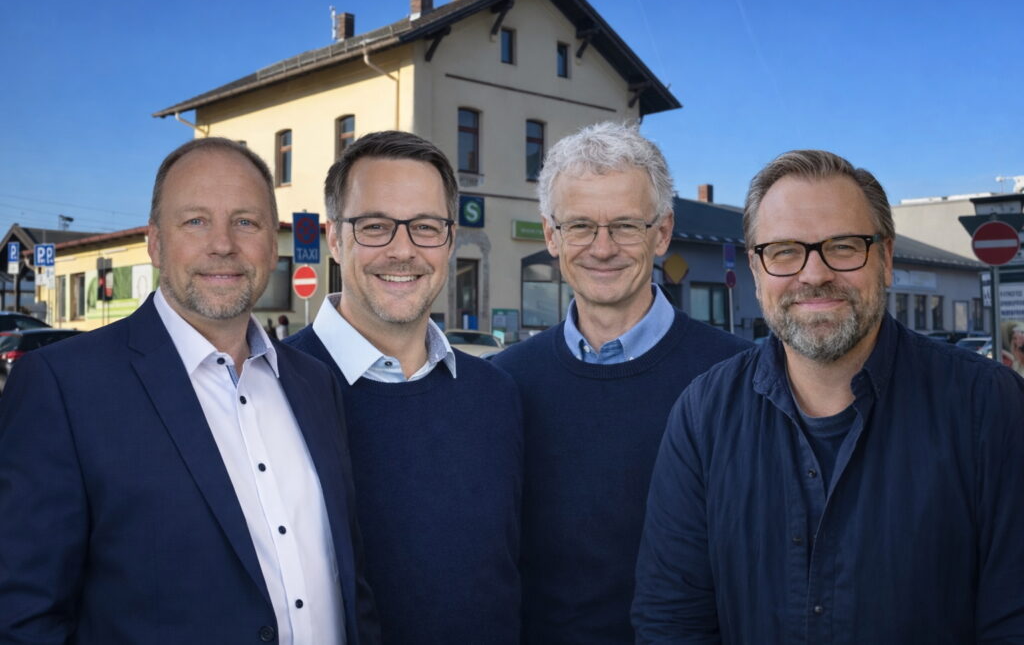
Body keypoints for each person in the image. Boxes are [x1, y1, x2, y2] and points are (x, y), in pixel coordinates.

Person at [633, 149, 1024, 643]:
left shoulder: (988, 406)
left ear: (884, 259)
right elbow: (671, 622)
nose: (814, 274)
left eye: (842, 246)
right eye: (784, 251)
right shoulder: (703, 416)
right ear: (756, 271)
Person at [0, 138, 379, 644]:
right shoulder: (63, 388)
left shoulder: (314, 383)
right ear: (155, 242)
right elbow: (23, 616)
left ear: (272, 244)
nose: (222, 244)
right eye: (195, 221)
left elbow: (348, 581)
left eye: (246, 222)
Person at [491, 121, 751, 643]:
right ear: (550, 235)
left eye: (626, 226)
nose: (602, 248)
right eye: (580, 226)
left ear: (662, 233)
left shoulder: (739, 378)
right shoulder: (502, 385)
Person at [284, 131, 522, 644]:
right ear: (334, 238)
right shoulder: (269, 392)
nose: (403, 250)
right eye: (374, 227)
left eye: (425, 227)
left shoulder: (496, 396)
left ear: (450, 240)